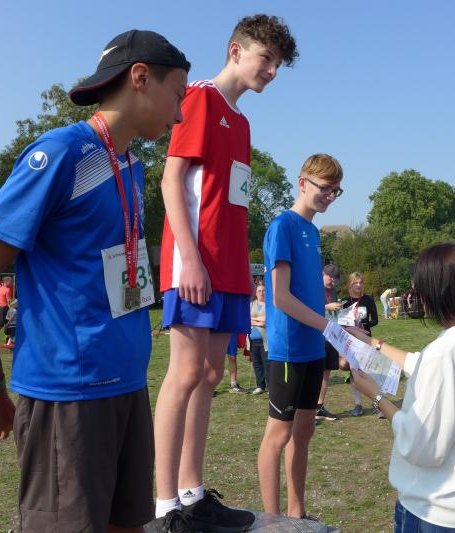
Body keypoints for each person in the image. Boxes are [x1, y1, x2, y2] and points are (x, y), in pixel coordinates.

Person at [0, 30, 190, 532]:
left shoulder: (131, 165)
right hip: (69, 395)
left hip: (128, 384)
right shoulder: (61, 153)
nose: (180, 115)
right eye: (177, 95)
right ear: (140, 78)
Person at [154, 15, 297, 530]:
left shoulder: (242, 122)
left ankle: (192, 493)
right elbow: (171, 181)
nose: (272, 71)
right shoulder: (198, 99)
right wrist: (189, 258)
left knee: (211, 375)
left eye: (278, 64)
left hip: (231, 268)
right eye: (266, 58)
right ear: (236, 50)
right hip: (195, 263)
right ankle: (164, 504)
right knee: (185, 372)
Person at [348, 243, 455, 532]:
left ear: (439, 293)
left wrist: (376, 396)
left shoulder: (443, 354)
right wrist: (371, 342)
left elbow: (421, 446)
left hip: (436, 508)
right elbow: (420, 363)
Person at [257, 153, 343, 518]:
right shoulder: (283, 227)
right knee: (278, 435)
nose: (330, 196)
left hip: (313, 347)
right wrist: (325, 325)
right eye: (325, 188)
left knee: (304, 430)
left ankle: (296, 514)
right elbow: (280, 297)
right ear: (303, 182)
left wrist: (334, 327)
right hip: (289, 349)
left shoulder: (313, 231)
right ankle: (272, 521)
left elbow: (310, 295)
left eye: (336, 191)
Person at [338, 271, 379, 416]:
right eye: (355, 282)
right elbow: (340, 323)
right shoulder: (344, 302)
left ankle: (377, 403)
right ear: (350, 284)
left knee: (369, 372)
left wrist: (364, 325)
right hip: (350, 341)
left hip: (365, 339)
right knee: (353, 372)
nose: (358, 285)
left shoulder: (368, 299)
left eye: (361, 282)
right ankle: (358, 404)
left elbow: (375, 320)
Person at [316, 263, 342, 422]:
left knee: (326, 372)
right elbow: (307, 308)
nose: (332, 281)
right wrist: (327, 306)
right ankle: (307, 410)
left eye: (335, 278)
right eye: (330, 277)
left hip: (331, 336)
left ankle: (319, 407)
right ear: (322, 274)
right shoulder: (313, 288)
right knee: (314, 373)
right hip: (316, 336)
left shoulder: (333, 291)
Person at [249, 283, 268, 394]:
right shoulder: (251, 304)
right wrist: (259, 322)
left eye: (263, 290)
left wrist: (253, 320)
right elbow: (246, 319)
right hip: (252, 340)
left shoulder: (269, 305)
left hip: (266, 341)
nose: (261, 293)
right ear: (256, 293)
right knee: (256, 363)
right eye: (259, 291)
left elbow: (267, 320)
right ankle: (260, 386)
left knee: (267, 363)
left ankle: (270, 386)